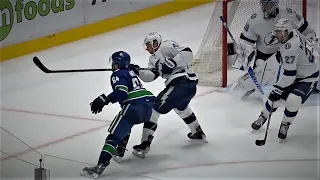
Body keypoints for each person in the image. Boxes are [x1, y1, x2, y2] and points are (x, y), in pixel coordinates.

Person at [128, 32, 207, 158]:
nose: (147, 48)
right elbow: (150, 76)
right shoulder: (153, 59)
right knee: (181, 108)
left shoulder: (166, 46)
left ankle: (144, 145)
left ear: (155, 42)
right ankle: (198, 132)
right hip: (186, 87)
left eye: (148, 45)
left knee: (154, 110)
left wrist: (172, 63)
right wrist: (138, 70)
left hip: (181, 82)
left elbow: (188, 53)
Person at [81, 51, 156, 178]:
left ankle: (99, 167)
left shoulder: (117, 74)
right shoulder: (131, 72)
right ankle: (119, 151)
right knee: (126, 123)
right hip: (149, 105)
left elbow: (121, 93)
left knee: (114, 136)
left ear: (116, 64)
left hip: (135, 106)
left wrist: (103, 100)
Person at [231, 0, 318, 98]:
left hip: (287, 51)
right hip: (265, 55)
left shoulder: (287, 14)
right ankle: (238, 91)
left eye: (268, 4)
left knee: (305, 66)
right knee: (258, 75)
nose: (264, 6)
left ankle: (314, 84)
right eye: (263, 3)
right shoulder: (254, 19)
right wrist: (244, 55)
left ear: (275, 3)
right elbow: (245, 41)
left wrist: (311, 44)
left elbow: (306, 30)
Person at [251, 18, 319, 139]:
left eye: (279, 32)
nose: (276, 34)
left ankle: (285, 123)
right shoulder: (294, 33)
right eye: (276, 31)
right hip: (297, 73)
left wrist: (277, 88)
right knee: (275, 97)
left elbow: (290, 75)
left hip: (307, 78)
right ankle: (263, 116)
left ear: (286, 32)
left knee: (292, 100)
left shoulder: (290, 47)